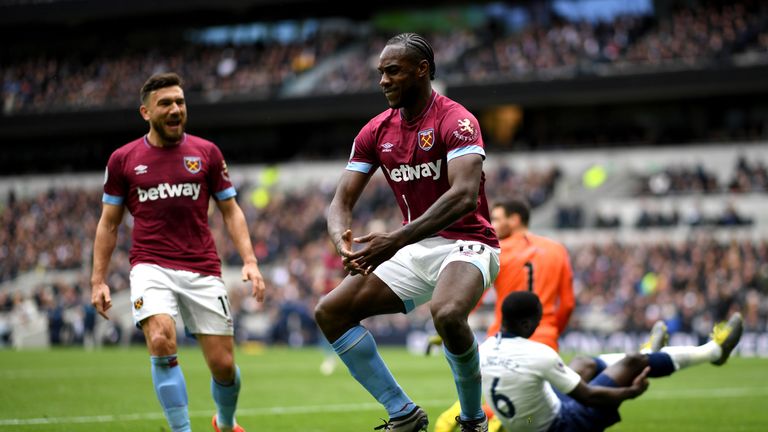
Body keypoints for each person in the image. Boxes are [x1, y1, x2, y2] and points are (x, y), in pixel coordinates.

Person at [314, 32, 500, 432]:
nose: (383, 80)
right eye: (381, 73)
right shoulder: (376, 131)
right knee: (330, 312)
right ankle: (403, 413)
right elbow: (340, 202)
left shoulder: (457, 120)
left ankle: (472, 420)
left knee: (447, 314)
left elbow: (465, 196)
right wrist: (340, 240)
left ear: (423, 70)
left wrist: (396, 240)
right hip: (414, 246)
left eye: (393, 71)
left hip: (469, 243)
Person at [90, 72, 266, 432]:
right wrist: (98, 280)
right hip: (149, 265)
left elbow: (231, 210)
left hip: (202, 268)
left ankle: (226, 422)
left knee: (224, 366)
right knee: (160, 338)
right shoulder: (123, 160)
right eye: (165, 104)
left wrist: (250, 260)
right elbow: (109, 224)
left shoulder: (206, 153)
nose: (175, 110)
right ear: (146, 112)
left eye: (180, 102)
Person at [480, 291, 744, 432]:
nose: (539, 325)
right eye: (537, 320)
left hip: (530, 423)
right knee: (632, 362)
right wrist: (630, 391)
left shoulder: (485, 348)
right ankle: (714, 352)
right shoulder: (538, 353)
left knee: (583, 362)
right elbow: (589, 397)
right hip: (562, 426)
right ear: (526, 323)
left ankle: (649, 355)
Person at [435, 196, 576, 432]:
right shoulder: (557, 250)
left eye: (498, 220)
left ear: (515, 219)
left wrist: (450, 326)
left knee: (491, 396)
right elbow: (568, 303)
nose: (493, 225)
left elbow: (473, 297)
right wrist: (550, 330)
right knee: (530, 405)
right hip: (545, 336)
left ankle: (449, 421)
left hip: (502, 338)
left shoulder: (498, 250)